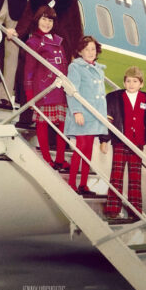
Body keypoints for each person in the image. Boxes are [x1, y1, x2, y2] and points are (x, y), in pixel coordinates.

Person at [103, 66, 146, 220]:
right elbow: (107, 120)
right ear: (124, 83)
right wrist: (104, 140)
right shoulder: (114, 97)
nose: (131, 84)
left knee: (135, 177)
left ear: (141, 84)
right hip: (120, 141)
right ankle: (113, 208)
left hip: (138, 142)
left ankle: (135, 210)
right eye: (128, 81)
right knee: (116, 175)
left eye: (135, 81)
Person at [22, 5, 69, 169]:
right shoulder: (33, 42)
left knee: (62, 125)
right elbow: (28, 70)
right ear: (37, 20)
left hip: (60, 90)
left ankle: (60, 159)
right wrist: (29, 93)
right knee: (42, 124)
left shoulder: (58, 41)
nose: (47, 23)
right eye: (44, 19)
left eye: (50, 20)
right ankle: (47, 158)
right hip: (44, 90)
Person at [64, 36, 108, 196]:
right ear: (80, 51)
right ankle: (71, 183)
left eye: (93, 49)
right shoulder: (75, 67)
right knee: (80, 148)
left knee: (88, 149)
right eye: (87, 49)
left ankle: (83, 184)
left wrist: (102, 116)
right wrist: (76, 111)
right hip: (82, 114)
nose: (90, 52)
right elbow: (71, 90)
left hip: (94, 116)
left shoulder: (99, 70)